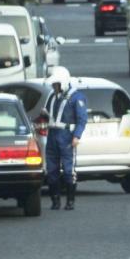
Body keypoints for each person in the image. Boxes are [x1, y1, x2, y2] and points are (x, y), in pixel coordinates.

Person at [42, 66, 88, 210]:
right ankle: (55, 201)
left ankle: (70, 201)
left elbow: (82, 119)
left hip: (67, 137)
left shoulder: (76, 97)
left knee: (68, 171)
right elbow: (48, 115)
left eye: (55, 84)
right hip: (52, 136)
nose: (53, 86)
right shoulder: (52, 96)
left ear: (62, 83)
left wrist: (76, 136)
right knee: (51, 170)